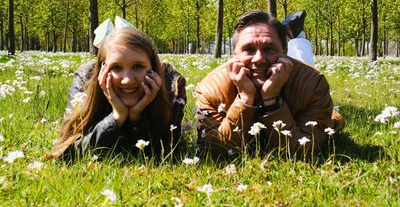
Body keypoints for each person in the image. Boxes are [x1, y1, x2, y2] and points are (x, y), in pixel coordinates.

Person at [195, 10, 343, 157]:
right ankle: (292, 32)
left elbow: (304, 151)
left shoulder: (312, 82)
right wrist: (245, 98)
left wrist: (271, 100)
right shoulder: (210, 88)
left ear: (285, 50)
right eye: (249, 50)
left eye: (269, 48)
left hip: (293, 70)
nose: (258, 59)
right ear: (234, 53)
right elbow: (216, 150)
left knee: (302, 67)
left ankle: (295, 35)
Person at [48, 17, 186, 159]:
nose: (127, 80)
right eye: (116, 68)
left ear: (152, 66)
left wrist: (136, 117)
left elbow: (167, 152)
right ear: (102, 68)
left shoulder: (171, 84)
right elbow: (68, 153)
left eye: (138, 66)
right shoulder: (85, 80)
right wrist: (116, 117)